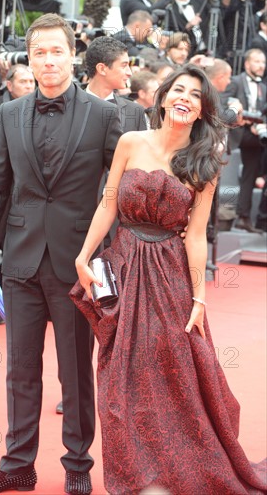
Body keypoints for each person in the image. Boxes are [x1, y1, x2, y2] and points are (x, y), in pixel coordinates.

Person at [69, 64, 267, 494]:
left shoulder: (205, 163)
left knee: (172, 370)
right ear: (162, 98)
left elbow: (196, 237)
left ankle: (175, 467)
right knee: (119, 372)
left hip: (168, 273)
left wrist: (199, 298)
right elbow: (107, 204)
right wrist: (84, 255)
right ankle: (139, 473)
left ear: (201, 109)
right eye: (178, 89)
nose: (185, 99)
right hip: (122, 264)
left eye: (195, 95)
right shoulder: (130, 141)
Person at [0, 13, 122, 495]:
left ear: (73, 55)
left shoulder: (103, 114)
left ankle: (78, 464)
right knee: (19, 370)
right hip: (19, 261)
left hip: (77, 265)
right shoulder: (10, 114)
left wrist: (109, 258)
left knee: (75, 371)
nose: (48, 60)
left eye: (57, 51)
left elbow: (116, 194)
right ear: (29, 59)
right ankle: (18, 463)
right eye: (39, 53)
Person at [222, 48, 267, 233]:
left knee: (251, 171)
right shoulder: (234, 81)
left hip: (254, 136)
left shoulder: (264, 87)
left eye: (263, 62)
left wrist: (260, 125)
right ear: (247, 64)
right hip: (235, 132)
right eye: (257, 61)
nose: (261, 66)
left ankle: (244, 216)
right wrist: (241, 118)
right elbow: (223, 104)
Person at [85, 36, 147, 132]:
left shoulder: (135, 111)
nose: (129, 72)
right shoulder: (68, 107)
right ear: (102, 69)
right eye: (124, 65)